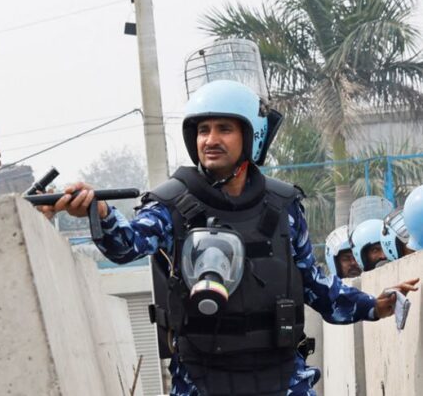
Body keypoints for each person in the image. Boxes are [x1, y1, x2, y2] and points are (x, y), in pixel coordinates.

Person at [51, 79, 418, 396]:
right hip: (202, 377)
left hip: (281, 376)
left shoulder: (284, 205)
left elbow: (314, 285)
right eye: (203, 129)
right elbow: (126, 244)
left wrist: (374, 305)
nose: (210, 139)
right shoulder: (170, 204)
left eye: (224, 128)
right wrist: (99, 213)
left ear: (250, 135)